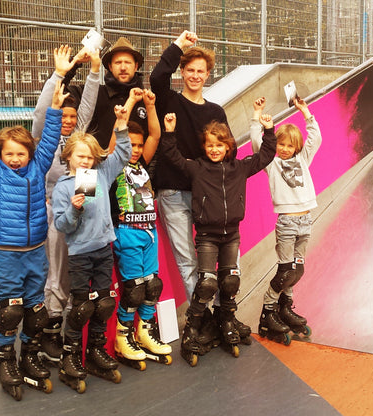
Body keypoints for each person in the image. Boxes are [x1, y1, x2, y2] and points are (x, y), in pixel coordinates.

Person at [0, 81, 68, 400]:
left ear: (29, 155)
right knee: (11, 311)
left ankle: (29, 355)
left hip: (36, 252)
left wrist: (55, 108)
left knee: (36, 312)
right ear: (0, 155)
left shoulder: (37, 169)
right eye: (9, 153)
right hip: (8, 255)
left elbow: (49, 140)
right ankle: (6, 360)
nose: (14, 158)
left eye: (20, 153)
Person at [162, 112, 277, 366]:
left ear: (229, 146)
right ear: (204, 147)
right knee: (206, 284)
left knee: (230, 281)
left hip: (232, 234)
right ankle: (192, 329)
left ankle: (226, 321)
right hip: (207, 236)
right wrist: (169, 132)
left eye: (219, 145)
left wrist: (269, 130)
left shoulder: (239, 168)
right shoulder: (197, 168)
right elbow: (172, 157)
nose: (214, 149)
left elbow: (266, 155)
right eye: (210, 145)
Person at [52, 105, 131, 392]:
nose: (85, 161)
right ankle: (70, 357)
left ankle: (95, 351)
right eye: (80, 156)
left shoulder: (100, 175)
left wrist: (121, 125)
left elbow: (123, 154)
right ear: (69, 157)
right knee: (81, 307)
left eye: (89, 157)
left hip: (103, 249)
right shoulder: (63, 187)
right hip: (79, 254)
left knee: (103, 303)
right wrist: (73, 210)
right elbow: (62, 225)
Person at [31, 44, 101, 364]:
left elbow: (88, 105)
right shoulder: (44, 136)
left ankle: (72, 330)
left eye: (73, 117)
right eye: (64, 115)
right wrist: (59, 75)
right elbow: (42, 112)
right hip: (54, 212)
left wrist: (95, 70)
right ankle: (50, 329)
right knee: (57, 271)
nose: (69, 121)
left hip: (82, 212)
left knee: (79, 271)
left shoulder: (80, 145)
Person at [150, 30, 230, 301]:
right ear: (182, 72)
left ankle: (221, 312)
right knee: (187, 260)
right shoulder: (170, 101)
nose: (195, 75)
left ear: (208, 75)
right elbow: (157, 78)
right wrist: (178, 45)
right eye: (190, 70)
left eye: (201, 71)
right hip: (172, 193)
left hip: (205, 193)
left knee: (213, 260)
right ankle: (202, 316)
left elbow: (226, 151)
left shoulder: (216, 112)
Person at [250, 97, 322, 345]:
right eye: (281, 144)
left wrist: (305, 111)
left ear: (297, 147)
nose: (284, 149)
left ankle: (285, 307)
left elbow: (315, 138)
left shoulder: (303, 159)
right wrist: (257, 116)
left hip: (305, 221)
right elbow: (257, 144)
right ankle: (267, 311)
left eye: (290, 145)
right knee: (285, 271)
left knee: (297, 270)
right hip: (287, 224)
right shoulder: (272, 163)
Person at [112, 91, 172, 368]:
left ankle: (145, 332)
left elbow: (155, 136)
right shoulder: (114, 165)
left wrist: (150, 105)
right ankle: (122, 337)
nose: (135, 149)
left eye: (138, 145)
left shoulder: (141, 164)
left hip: (149, 232)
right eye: (131, 144)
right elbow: (116, 138)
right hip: (127, 232)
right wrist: (129, 105)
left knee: (152, 285)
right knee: (134, 288)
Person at [63, 37, 159, 152]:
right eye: (118, 62)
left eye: (127, 62)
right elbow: (56, 90)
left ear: (136, 66)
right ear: (110, 67)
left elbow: (153, 139)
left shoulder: (147, 101)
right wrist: (75, 62)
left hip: (135, 163)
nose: (123, 68)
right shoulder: (94, 94)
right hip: (97, 161)